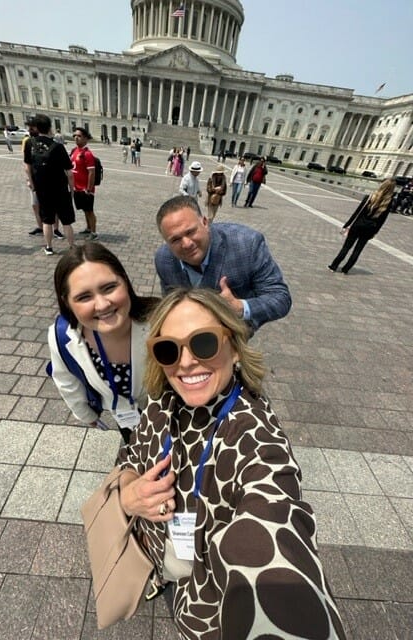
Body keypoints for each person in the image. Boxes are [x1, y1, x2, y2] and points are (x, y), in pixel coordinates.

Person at [117, 288, 346, 639]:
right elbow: (131, 454)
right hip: (159, 557)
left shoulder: (253, 436)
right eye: (168, 349)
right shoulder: (162, 399)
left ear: (235, 347)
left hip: (209, 611)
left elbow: (273, 517)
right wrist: (128, 490)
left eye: (204, 343)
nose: (186, 362)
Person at [48, 243, 158, 443]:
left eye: (109, 288)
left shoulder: (162, 320)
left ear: (125, 281)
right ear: (67, 302)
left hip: (178, 419)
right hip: (125, 418)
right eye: (84, 297)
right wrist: (86, 415)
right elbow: (66, 380)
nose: (102, 304)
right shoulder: (62, 336)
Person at [154, 195, 291, 333]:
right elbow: (170, 303)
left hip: (232, 336)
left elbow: (280, 298)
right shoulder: (164, 260)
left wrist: (240, 307)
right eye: (175, 239)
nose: (187, 244)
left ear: (205, 223)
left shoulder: (247, 243)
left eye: (190, 232)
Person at [23, 114, 75, 255]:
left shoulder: (29, 144)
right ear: (49, 127)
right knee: (66, 221)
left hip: (42, 190)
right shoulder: (57, 147)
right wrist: (72, 188)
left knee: (47, 220)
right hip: (60, 189)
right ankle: (71, 247)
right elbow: (69, 172)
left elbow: (27, 167)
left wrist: (32, 184)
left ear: (36, 128)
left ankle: (49, 247)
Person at [328, 178, 396, 274]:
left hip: (357, 225)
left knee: (346, 247)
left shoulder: (370, 197)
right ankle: (346, 269)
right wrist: (375, 232)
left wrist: (347, 225)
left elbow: (357, 213)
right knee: (358, 250)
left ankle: (334, 266)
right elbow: (382, 221)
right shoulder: (388, 203)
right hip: (370, 228)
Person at [70, 127, 98, 240]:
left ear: (86, 139)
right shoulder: (74, 151)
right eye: (75, 136)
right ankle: (88, 228)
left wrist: (89, 188)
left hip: (85, 189)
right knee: (84, 210)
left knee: (90, 211)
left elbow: (92, 173)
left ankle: (94, 232)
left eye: (79, 136)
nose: (76, 138)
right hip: (77, 188)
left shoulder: (87, 154)